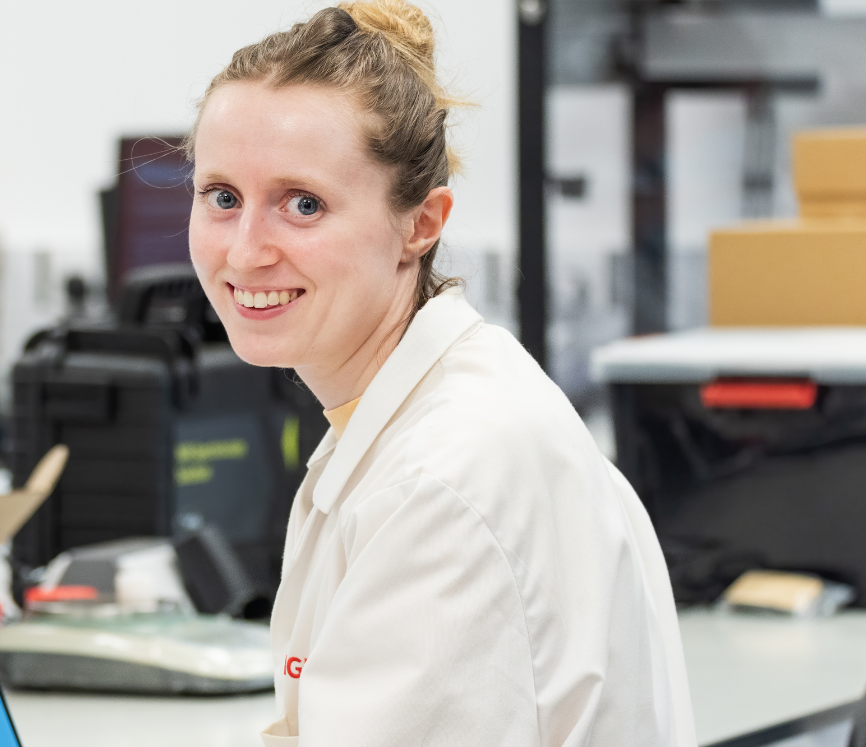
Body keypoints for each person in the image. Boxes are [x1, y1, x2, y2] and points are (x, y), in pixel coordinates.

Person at [185, 3, 695, 745]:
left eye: (303, 204)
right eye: (222, 197)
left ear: (421, 224)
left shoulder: (441, 479)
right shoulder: (425, 412)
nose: (246, 249)